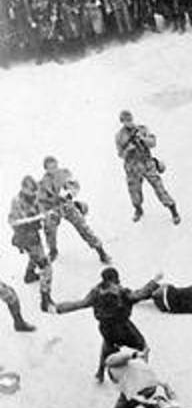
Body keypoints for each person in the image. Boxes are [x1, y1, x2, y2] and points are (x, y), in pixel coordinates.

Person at [55, 267, 160, 382]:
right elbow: (139, 295)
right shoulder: (122, 292)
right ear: (115, 279)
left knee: (108, 344)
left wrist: (58, 308)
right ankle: (144, 377)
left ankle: (100, 373)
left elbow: (79, 304)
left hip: (106, 328)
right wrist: (154, 281)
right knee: (143, 347)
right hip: (123, 327)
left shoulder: (96, 292)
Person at [37, 156, 109, 263]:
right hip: (53, 208)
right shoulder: (43, 183)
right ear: (46, 169)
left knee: (83, 226)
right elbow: (40, 200)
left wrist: (70, 193)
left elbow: (75, 185)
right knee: (49, 229)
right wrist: (47, 208)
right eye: (50, 168)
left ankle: (100, 250)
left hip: (67, 205)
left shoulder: (65, 173)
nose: (53, 169)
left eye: (55, 166)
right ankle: (53, 250)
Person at [115, 110, 179, 224]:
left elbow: (153, 142)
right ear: (122, 122)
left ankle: (172, 209)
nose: (129, 122)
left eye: (130, 119)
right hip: (132, 167)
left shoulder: (142, 129)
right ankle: (138, 209)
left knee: (159, 187)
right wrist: (127, 150)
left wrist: (143, 139)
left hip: (147, 163)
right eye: (126, 120)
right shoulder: (119, 136)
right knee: (134, 191)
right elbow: (120, 154)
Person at [9, 175, 54, 314]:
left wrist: (46, 215)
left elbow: (42, 209)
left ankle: (29, 274)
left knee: (34, 256)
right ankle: (45, 299)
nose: (34, 194)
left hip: (34, 235)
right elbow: (13, 222)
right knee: (46, 267)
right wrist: (34, 219)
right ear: (23, 188)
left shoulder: (34, 198)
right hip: (25, 237)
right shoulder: (16, 202)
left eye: (35, 191)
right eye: (31, 191)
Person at [103, 347, 179, 408]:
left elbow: (119, 358)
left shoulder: (111, 363)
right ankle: (160, 403)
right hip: (152, 387)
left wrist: (135, 354)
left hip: (141, 390)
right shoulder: (134, 364)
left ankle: (160, 403)